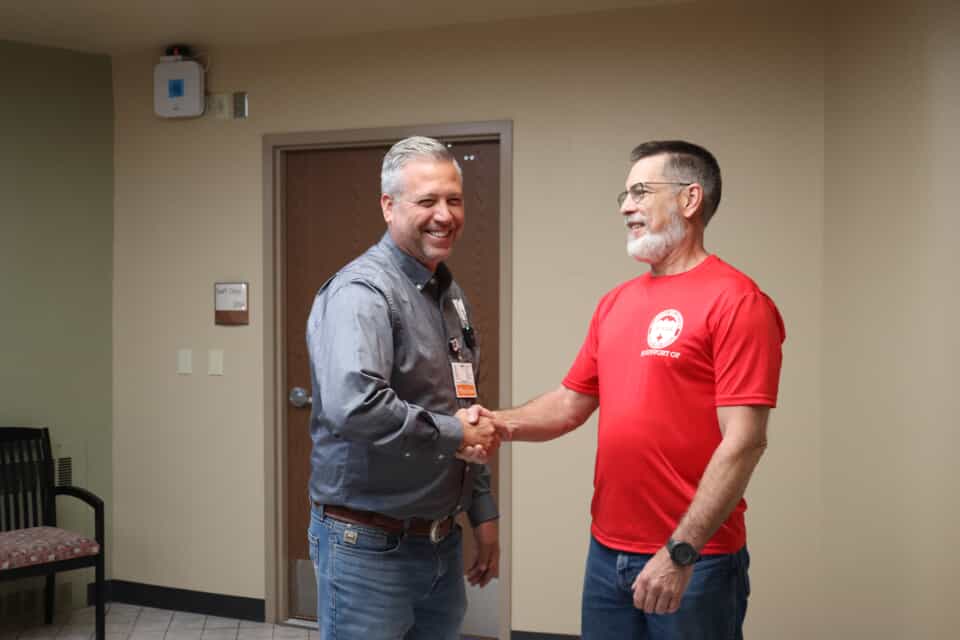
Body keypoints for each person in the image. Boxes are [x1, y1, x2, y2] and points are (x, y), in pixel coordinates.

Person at [475, 140, 785, 639]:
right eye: (624, 194)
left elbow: (744, 440)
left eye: (641, 191)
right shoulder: (615, 303)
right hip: (607, 553)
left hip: (695, 560)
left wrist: (680, 552)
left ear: (690, 199)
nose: (626, 206)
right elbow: (571, 403)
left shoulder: (738, 302)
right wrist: (496, 424)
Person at [306, 136, 501, 640]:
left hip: (438, 543)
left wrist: (482, 512)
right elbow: (355, 406)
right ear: (389, 206)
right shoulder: (361, 294)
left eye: (454, 200)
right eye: (427, 201)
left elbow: (462, 408)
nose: (445, 215)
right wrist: (455, 434)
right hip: (366, 546)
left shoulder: (449, 295)